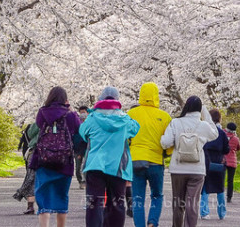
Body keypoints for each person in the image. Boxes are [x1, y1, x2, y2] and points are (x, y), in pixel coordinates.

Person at [79, 86, 141, 227]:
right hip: (118, 166)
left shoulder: (92, 118)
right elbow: (135, 128)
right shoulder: (124, 120)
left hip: (95, 165)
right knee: (117, 203)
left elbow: (83, 133)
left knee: (94, 203)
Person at [160, 96, 218, 227]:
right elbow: (215, 133)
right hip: (197, 170)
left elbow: (165, 143)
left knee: (178, 204)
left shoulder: (176, 122)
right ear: (199, 109)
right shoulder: (204, 125)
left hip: (178, 169)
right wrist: (205, 112)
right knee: (192, 205)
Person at [29, 86, 81, 227]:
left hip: (44, 159)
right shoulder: (70, 115)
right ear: (65, 99)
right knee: (61, 196)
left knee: (43, 196)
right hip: (64, 161)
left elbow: (39, 125)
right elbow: (78, 128)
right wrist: (71, 110)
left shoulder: (42, 112)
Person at [127, 82, 173, 227]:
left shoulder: (131, 114)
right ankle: (152, 222)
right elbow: (169, 143)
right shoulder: (165, 117)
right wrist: (166, 153)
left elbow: (126, 138)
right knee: (157, 195)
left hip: (136, 160)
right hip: (156, 162)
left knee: (137, 199)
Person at [199, 109, 229, 220]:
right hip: (219, 162)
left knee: (205, 188)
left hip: (206, 162)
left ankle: (204, 212)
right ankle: (222, 213)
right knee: (220, 189)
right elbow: (226, 149)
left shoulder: (204, 131)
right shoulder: (222, 133)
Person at [14, 122, 40, 215]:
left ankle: (30, 206)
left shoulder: (40, 119)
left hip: (37, 152)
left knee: (31, 178)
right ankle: (47, 206)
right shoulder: (62, 120)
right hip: (56, 154)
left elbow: (30, 133)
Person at [223, 122, 240, 204]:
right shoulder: (236, 138)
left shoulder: (222, 136)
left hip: (223, 160)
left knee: (221, 179)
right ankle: (229, 197)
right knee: (230, 180)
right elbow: (239, 148)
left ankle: (220, 195)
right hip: (232, 161)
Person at [75, 106, 89, 189]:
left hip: (87, 148)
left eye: (84, 112)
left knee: (86, 166)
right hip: (78, 148)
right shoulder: (77, 123)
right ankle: (80, 181)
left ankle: (85, 182)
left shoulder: (90, 123)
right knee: (78, 168)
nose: (82, 114)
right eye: (81, 112)